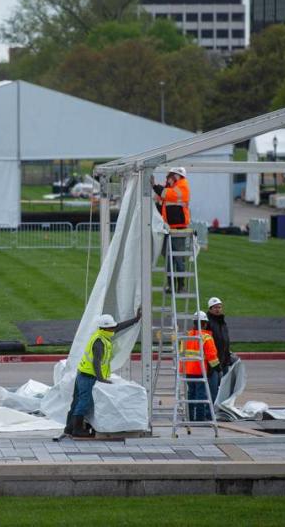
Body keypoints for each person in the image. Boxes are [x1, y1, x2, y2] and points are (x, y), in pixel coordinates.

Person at [65, 308, 143, 438]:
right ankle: (77, 429)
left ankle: (69, 428)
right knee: (84, 401)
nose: (114, 329)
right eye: (111, 327)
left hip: (83, 373)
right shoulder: (99, 342)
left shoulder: (103, 334)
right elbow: (96, 362)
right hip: (88, 375)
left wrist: (135, 319)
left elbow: (119, 326)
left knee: (77, 400)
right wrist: (101, 379)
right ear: (105, 329)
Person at [151, 167, 191, 291]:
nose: (167, 178)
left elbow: (167, 195)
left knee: (178, 258)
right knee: (169, 258)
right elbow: (160, 200)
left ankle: (181, 285)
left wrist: (155, 186)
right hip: (168, 228)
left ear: (176, 176)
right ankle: (171, 285)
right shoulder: (172, 187)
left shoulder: (182, 186)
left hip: (178, 229)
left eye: (169, 176)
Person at [180, 311, 220, 421]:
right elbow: (211, 356)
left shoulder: (187, 335)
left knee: (191, 394)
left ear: (194, 323)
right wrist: (217, 368)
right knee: (201, 395)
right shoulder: (206, 337)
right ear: (204, 323)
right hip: (200, 371)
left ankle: (190, 417)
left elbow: (181, 354)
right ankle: (200, 418)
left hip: (188, 371)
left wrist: (181, 369)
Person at [205, 296, 233, 380]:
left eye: (219, 307)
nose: (218, 309)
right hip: (213, 361)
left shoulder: (222, 322)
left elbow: (225, 340)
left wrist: (228, 356)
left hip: (224, 359)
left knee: (224, 386)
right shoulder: (207, 322)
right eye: (215, 307)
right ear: (210, 309)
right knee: (214, 386)